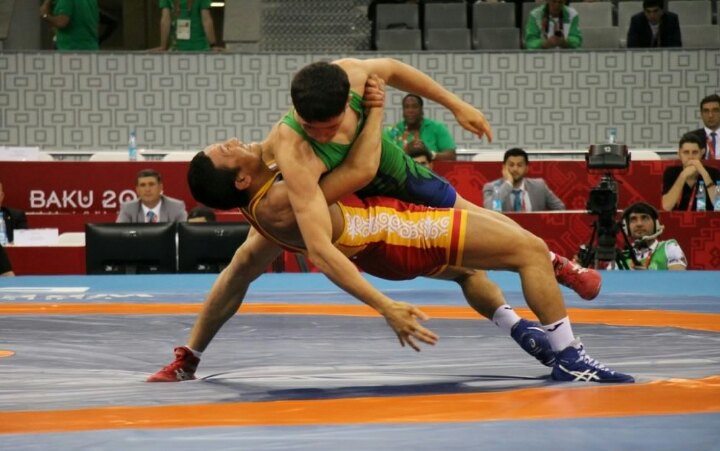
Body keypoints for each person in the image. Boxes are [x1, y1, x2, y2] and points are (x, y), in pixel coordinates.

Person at [148, 100, 633, 384]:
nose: (236, 139)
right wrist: (375, 108)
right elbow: (359, 172)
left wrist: (190, 356)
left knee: (470, 270)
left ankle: (520, 329)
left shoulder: (259, 211)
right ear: (239, 179)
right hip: (403, 233)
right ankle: (570, 357)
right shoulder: (285, 197)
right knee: (526, 251)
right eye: (228, 149)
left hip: (385, 250)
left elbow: (233, 279)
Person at [607, 202, 686, 271]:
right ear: (627, 227)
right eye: (633, 219)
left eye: (645, 218)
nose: (639, 224)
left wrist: (648, 276)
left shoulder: (669, 247)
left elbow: (678, 278)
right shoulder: (621, 258)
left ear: (656, 224)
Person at [482, 148, 565, 212]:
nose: (515, 169)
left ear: (526, 168)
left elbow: (560, 209)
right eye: (511, 165)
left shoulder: (539, 186)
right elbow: (491, 210)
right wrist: (508, 183)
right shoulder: (492, 187)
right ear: (504, 168)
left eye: (519, 165)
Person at [386, 94, 458, 161]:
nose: (410, 110)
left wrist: (429, 153)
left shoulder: (437, 127)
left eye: (415, 107)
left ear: (422, 110)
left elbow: (451, 156)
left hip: (432, 170)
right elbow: (385, 158)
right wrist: (406, 151)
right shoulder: (392, 131)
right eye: (406, 107)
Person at [662, 133, 720, 212]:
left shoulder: (714, 172)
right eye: (686, 152)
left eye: (695, 152)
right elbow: (666, 207)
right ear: (679, 154)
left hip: (706, 218)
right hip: (678, 218)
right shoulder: (671, 172)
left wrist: (704, 173)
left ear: (702, 153)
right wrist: (682, 176)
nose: (690, 157)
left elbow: (718, 205)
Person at [116, 169, 188, 223]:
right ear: (137, 190)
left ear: (160, 187)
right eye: (143, 185)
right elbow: (120, 234)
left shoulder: (176, 207)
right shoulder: (128, 209)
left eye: (151, 184)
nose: (147, 189)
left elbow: (184, 234)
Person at [155, 0, 222, 52]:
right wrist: (212, 45)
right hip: (200, 47)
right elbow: (206, 20)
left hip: (177, 48)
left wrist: (163, 46)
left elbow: (165, 20)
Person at [688, 94, 720, 160]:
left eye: (715, 110)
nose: (710, 115)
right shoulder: (691, 138)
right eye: (706, 111)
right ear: (701, 114)